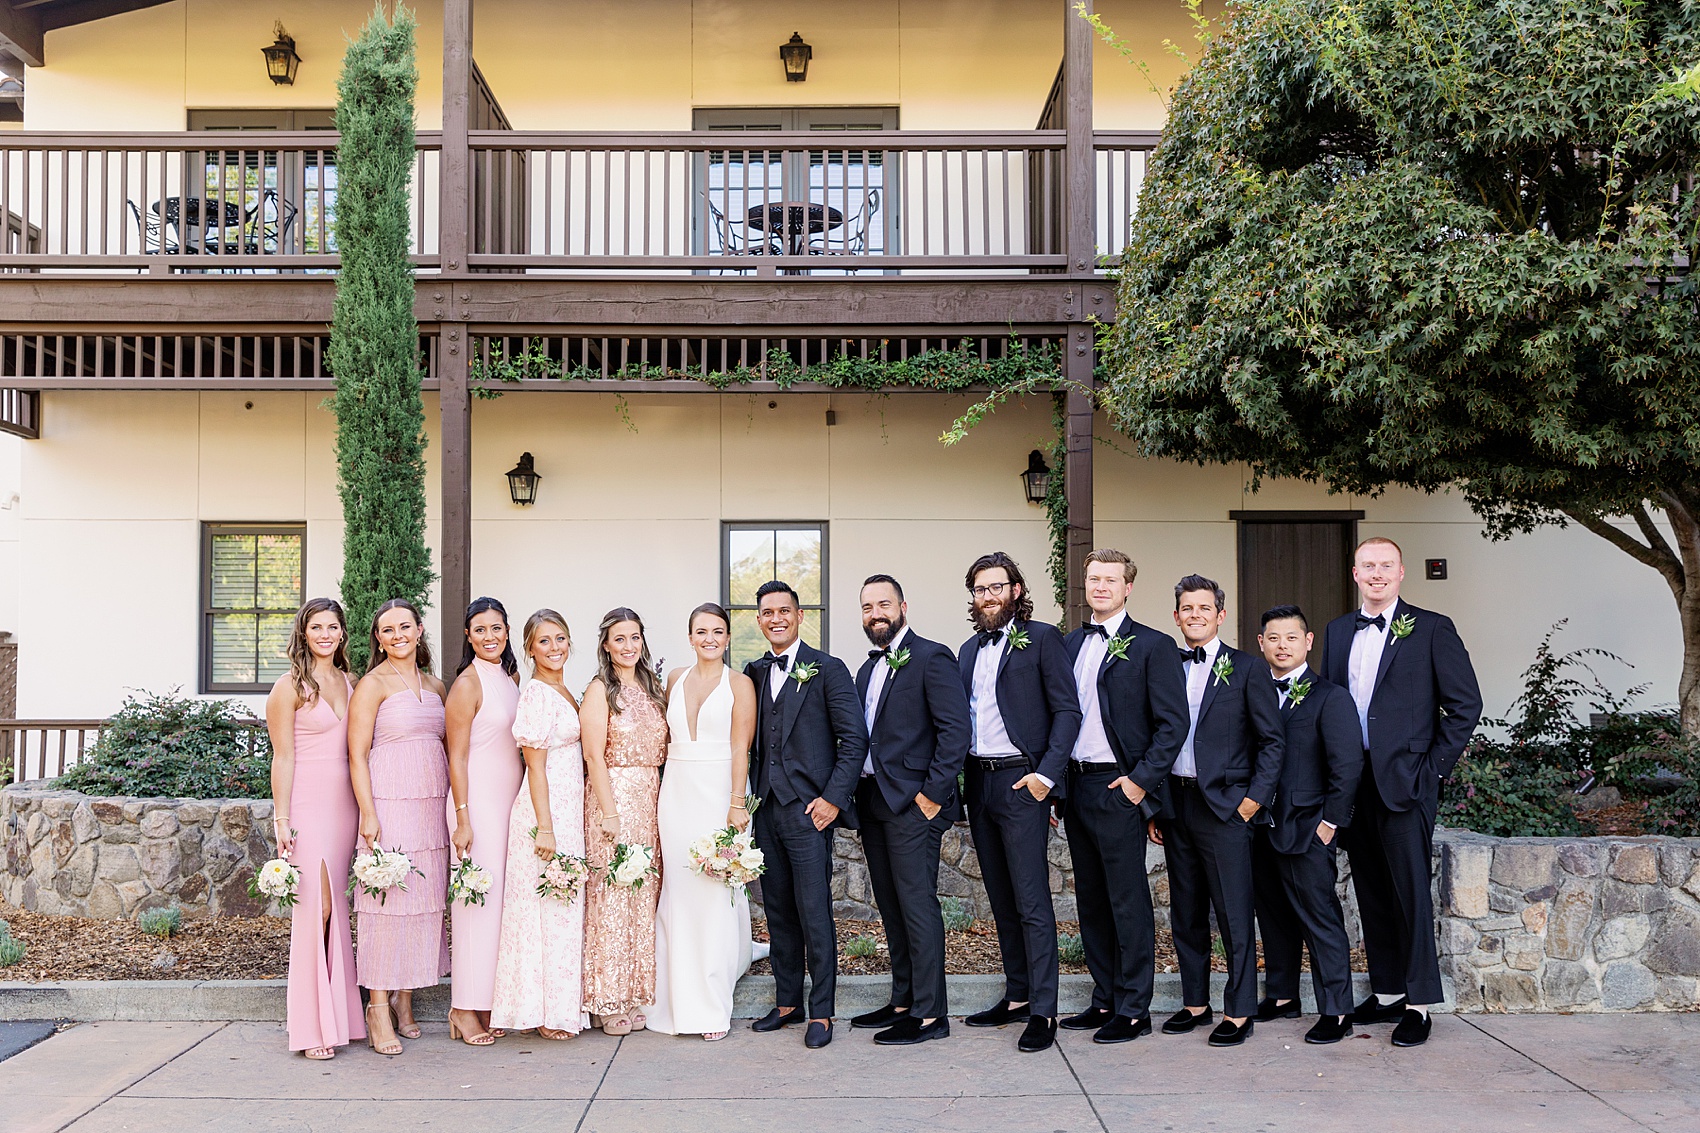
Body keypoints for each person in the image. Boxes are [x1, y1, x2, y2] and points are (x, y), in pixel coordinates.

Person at [1320, 537, 1482, 1047]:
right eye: (1368, 565)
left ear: (1401, 572)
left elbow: (1465, 706)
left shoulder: (1432, 628)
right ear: (1354, 573)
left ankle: (1419, 1003)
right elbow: (1330, 706)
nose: (1376, 573)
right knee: (1370, 887)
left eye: (1385, 565)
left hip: (1406, 783)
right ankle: (1387, 992)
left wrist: (1431, 771)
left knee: (1410, 892)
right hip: (1354, 783)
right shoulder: (1337, 630)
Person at [1059, 549, 1189, 1045]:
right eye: (1093, 578)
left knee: (1127, 900)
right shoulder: (1069, 644)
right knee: (1090, 900)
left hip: (1120, 786)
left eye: (1111, 580)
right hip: (1076, 786)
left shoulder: (1153, 646)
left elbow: (1173, 724)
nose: (1101, 586)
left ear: (1128, 587)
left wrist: (1139, 782)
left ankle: (1134, 1008)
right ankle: (1105, 997)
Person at [1151, 575, 1284, 1048]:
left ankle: (1240, 1009)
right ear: (1176, 615)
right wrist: (1155, 805)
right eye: (1187, 608)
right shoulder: (1165, 663)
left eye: (1204, 608)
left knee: (1232, 911)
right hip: (1176, 804)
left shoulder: (1247, 669)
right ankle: (1195, 1003)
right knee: (1185, 911)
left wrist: (1252, 801)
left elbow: (1271, 741)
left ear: (1220, 615)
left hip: (1226, 807)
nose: (1195, 615)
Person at [956, 552, 1080, 1054]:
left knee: (1031, 899)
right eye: (979, 590)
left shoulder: (1044, 639)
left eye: (995, 588)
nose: (987, 597)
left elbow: (1067, 713)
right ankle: (1017, 994)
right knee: (1000, 897)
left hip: (1021, 781)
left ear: (1016, 589)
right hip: (979, 783)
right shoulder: (966, 650)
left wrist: (1044, 778)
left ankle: (1044, 1010)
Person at [744, 580, 867, 1050]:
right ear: (759, 620)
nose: (776, 618)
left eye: (784, 611)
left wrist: (833, 799)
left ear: (799, 616)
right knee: (776, 909)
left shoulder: (828, 669)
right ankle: (788, 1000)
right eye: (767, 612)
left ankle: (824, 1012)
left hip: (809, 810)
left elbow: (854, 740)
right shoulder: (753, 672)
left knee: (814, 910)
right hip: (766, 809)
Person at [851, 574, 971, 1047]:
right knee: (891, 905)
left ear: (903, 606)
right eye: (867, 607)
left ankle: (929, 1014)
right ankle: (902, 999)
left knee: (918, 905)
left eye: (883, 604)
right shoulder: (866, 671)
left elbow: (955, 732)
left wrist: (932, 796)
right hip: (874, 801)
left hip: (914, 805)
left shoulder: (931, 656)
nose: (875, 613)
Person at [1251, 604, 1364, 1045]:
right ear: (1261, 643)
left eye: (1291, 638)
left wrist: (1330, 823)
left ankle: (1337, 1010)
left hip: (1307, 826)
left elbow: (1347, 766)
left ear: (1308, 641)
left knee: (1319, 918)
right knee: (1273, 914)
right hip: (1259, 824)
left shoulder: (1330, 697)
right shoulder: (1253, 691)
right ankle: (1282, 995)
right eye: (1273, 638)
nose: (1282, 646)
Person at [346, 598, 450, 1057]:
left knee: (422, 903)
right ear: (378, 638)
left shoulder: (437, 685)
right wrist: (369, 813)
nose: (397, 636)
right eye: (387, 630)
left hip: (430, 805)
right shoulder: (372, 685)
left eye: (404, 626)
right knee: (386, 904)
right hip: (389, 801)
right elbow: (356, 754)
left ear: (419, 629)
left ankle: (406, 1003)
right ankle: (379, 1007)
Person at [651, 603, 759, 1041]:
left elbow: (741, 749)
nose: (709, 638)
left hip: (720, 792)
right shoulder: (674, 678)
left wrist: (736, 804)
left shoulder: (741, 685)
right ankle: (671, 998)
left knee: (715, 893)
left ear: (728, 638)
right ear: (690, 637)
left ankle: (711, 1005)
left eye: (718, 631)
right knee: (678, 892)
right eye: (701, 631)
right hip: (675, 794)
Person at [265, 597, 362, 1061]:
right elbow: (282, 756)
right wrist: (282, 819)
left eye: (333, 627)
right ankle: (309, 1026)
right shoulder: (289, 687)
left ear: (342, 633)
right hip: (307, 804)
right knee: (315, 909)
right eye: (316, 627)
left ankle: (339, 1018)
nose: (325, 634)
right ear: (304, 633)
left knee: (336, 907)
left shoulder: (351, 681)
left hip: (346, 807)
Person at [491, 610, 589, 1040]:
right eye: (544, 641)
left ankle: (562, 1007)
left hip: (570, 809)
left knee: (562, 909)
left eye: (561, 638)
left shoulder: (563, 689)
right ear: (529, 648)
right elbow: (535, 766)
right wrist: (546, 827)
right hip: (543, 813)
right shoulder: (534, 694)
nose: (554, 648)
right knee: (545, 910)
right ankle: (544, 1012)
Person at [580, 607, 669, 1036]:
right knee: (611, 897)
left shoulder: (653, 687)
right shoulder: (601, 689)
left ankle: (634, 992)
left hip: (650, 798)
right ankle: (605, 997)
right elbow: (593, 755)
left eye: (635, 637)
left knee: (642, 897)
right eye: (620, 639)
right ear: (605, 644)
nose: (629, 646)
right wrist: (610, 812)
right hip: (612, 798)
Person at [444, 597, 523, 1047]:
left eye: (496, 628)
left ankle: (488, 999)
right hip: (476, 805)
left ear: (507, 632)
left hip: (508, 802)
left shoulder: (510, 680)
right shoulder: (467, 685)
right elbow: (455, 755)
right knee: (475, 903)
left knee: (499, 906)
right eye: (480, 630)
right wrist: (462, 817)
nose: (489, 637)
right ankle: (462, 1007)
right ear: (469, 636)